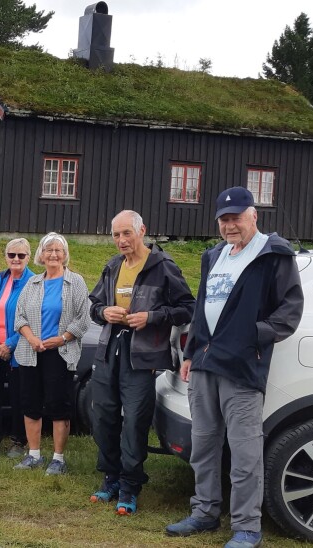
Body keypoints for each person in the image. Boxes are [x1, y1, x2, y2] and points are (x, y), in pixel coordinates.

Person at [165, 187, 303, 548]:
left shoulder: (273, 255)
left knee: (245, 451)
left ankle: (247, 528)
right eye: (224, 219)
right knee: (204, 445)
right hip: (205, 366)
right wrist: (192, 352)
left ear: (253, 215)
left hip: (243, 367)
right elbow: (202, 308)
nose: (230, 225)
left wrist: (252, 336)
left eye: (236, 217)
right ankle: (205, 512)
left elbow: (289, 311)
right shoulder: (214, 256)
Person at [87, 211, 194, 514]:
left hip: (143, 355)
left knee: (134, 421)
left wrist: (152, 317)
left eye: (126, 234)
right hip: (110, 349)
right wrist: (104, 312)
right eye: (116, 235)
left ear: (142, 231)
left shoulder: (163, 266)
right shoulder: (112, 266)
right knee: (103, 416)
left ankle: (131, 486)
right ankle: (111, 478)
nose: (121, 240)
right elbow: (94, 305)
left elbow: (187, 308)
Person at [13, 232, 90, 476]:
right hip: (31, 351)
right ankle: (33, 454)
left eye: (58, 250)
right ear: (41, 255)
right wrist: (31, 338)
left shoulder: (75, 282)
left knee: (59, 404)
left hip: (60, 352)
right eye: (49, 250)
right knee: (30, 403)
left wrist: (64, 337)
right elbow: (20, 317)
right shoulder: (32, 283)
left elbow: (83, 318)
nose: (53, 254)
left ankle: (58, 458)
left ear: (65, 255)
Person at [0, 238, 34, 459]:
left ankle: (18, 441)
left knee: (18, 397)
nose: (16, 259)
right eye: (12, 255)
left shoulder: (33, 282)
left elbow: (31, 319)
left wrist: (9, 345)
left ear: (28, 257)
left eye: (21, 255)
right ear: (6, 256)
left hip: (18, 350)